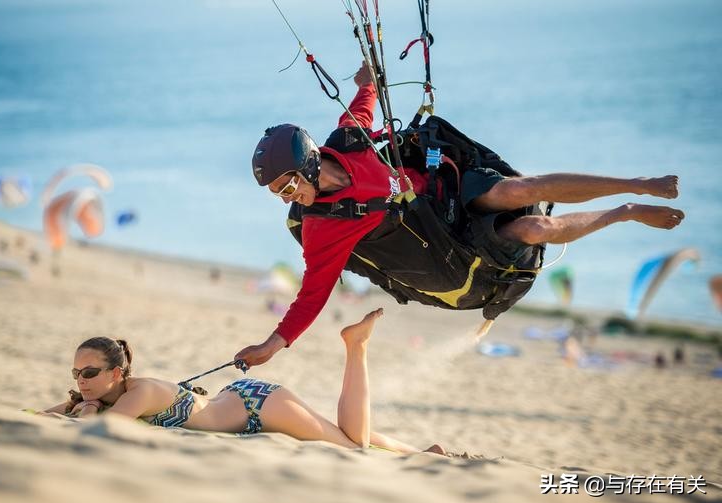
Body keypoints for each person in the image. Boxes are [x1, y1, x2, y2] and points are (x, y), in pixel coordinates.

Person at [236, 61, 684, 368]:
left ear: (311, 161)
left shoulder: (349, 138)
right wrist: (272, 345)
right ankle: (625, 212)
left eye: (287, 184)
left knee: (524, 189)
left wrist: (365, 78)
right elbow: (310, 296)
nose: (286, 197)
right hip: (446, 244)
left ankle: (638, 184)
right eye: (278, 192)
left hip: (448, 192)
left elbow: (366, 95)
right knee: (535, 227)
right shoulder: (323, 229)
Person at [41, 309, 446, 455]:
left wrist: (89, 408)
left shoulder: (139, 391)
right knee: (339, 431)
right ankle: (422, 453)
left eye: (89, 373)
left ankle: (355, 347)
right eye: (76, 374)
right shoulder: (105, 394)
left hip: (258, 407)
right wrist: (77, 404)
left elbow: (103, 427)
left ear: (116, 373)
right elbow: (46, 416)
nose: (82, 381)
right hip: (237, 401)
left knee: (351, 446)